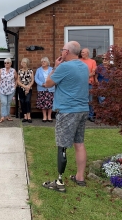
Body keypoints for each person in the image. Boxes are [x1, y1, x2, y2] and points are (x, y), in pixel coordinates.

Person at [42, 41, 89, 193]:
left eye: (63, 49)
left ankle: (59, 182)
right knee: (79, 143)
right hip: (82, 109)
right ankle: (80, 177)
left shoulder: (64, 67)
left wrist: (55, 66)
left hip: (68, 110)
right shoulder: (84, 66)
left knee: (62, 145)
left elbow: (47, 83)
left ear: (67, 52)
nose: (61, 51)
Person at [0, 58, 18, 123]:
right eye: (5, 63)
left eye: (8, 63)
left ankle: (8, 116)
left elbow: (16, 79)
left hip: (11, 90)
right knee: (4, 103)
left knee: (8, 103)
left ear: (11, 63)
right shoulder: (1, 70)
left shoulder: (13, 70)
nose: (6, 64)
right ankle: (3, 116)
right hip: (2, 89)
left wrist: (15, 85)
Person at [35, 57, 55, 122]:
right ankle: (44, 116)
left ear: (47, 63)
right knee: (43, 103)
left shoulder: (52, 69)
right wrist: (42, 84)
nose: (43, 63)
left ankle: (49, 116)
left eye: (44, 61)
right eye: (42, 62)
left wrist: (50, 84)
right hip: (42, 89)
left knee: (50, 103)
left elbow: (55, 78)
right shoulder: (38, 70)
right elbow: (36, 79)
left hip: (50, 88)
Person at [80, 48, 97, 122]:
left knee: (90, 100)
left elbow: (93, 73)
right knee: (82, 100)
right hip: (81, 84)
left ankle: (90, 115)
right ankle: (83, 116)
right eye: (81, 52)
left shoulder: (92, 61)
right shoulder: (79, 61)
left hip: (90, 83)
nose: (82, 53)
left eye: (83, 52)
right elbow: (77, 72)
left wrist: (84, 76)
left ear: (87, 53)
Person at [17, 58, 34, 123]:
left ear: (27, 63)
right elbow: (18, 81)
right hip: (21, 88)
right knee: (22, 101)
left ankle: (29, 116)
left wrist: (28, 87)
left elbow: (32, 80)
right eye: (22, 62)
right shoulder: (19, 71)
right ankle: (25, 116)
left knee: (27, 101)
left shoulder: (30, 71)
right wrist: (24, 86)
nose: (23, 64)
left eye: (24, 62)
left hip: (29, 88)